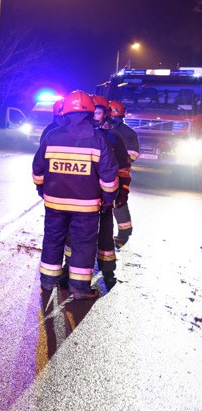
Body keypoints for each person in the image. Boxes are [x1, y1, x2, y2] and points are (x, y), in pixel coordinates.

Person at [32, 90, 119, 300]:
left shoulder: (52, 136)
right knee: (83, 244)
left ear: (65, 112)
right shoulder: (98, 139)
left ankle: (47, 282)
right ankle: (79, 289)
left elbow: (37, 169)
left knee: (53, 239)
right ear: (90, 112)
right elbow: (109, 176)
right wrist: (108, 199)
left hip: (54, 203)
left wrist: (41, 189)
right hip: (86, 206)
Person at [91, 95, 131, 289]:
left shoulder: (113, 137)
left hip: (106, 197)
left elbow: (123, 168)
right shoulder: (82, 135)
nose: (94, 115)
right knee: (75, 236)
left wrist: (122, 193)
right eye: (92, 111)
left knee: (105, 235)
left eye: (98, 111)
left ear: (106, 114)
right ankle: (71, 271)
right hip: (86, 196)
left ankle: (107, 271)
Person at [109, 100, 140, 247]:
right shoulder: (106, 129)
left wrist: (117, 157)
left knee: (119, 203)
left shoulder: (127, 132)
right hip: (107, 173)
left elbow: (133, 154)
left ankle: (124, 233)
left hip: (120, 174)